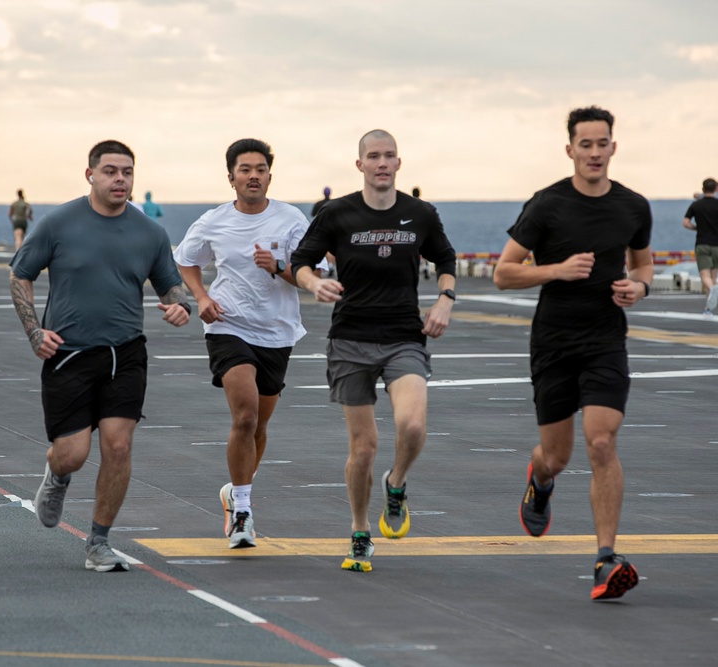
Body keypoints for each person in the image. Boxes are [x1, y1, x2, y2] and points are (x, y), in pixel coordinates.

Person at [493, 106, 652, 601]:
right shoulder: (547, 205)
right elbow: (504, 272)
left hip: (605, 339)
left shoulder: (633, 206)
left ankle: (606, 559)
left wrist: (639, 289)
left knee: (601, 442)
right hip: (554, 343)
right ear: (570, 150)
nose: (594, 152)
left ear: (613, 147)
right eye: (585, 144)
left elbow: (643, 265)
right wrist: (556, 270)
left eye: (602, 143)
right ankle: (539, 479)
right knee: (557, 457)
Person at [9, 140, 190, 572]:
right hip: (69, 354)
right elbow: (20, 275)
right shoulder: (58, 224)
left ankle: (98, 542)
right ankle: (57, 475)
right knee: (72, 453)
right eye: (110, 171)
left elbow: (171, 285)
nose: (120, 179)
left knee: (118, 446)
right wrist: (34, 332)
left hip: (125, 353)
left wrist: (181, 304)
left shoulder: (150, 232)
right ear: (90, 174)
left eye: (127, 171)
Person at [290, 129, 457, 573]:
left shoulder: (419, 213)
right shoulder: (336, 213)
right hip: (350, 340)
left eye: (389, 156)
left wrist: (445, 299)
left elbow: (446, 260)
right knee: (362, 447)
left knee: (414, 424)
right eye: (373, 156)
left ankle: (396, 482)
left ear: (399, 164)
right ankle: (360, 531)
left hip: (404, 335)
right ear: (360, 164)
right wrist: (313, 282)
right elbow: (299, 261)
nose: (382, 163)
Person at [173, 138, 324, 549]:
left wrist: (279, 267)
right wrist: (202, 298)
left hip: (276, 331)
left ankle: (234, 491)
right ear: (231, 178)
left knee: (258, 425)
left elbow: (316, 275)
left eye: (260, 168)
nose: (253, 175)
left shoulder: (291, 220)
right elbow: (186, 260)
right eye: (245, 169)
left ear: (270, 176)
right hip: (228, 326)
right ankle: (242, 511)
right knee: (244, 417)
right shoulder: (213, 221)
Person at [681, 177, 718, 314]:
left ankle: (712, 293)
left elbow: (685, 223)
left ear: (703, 188)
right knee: (713, 277)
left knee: (705, 276)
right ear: (716, 188)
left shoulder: (696, 205)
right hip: (717, 245)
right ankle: (708, 308)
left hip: (702, 243)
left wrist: (696, 228)